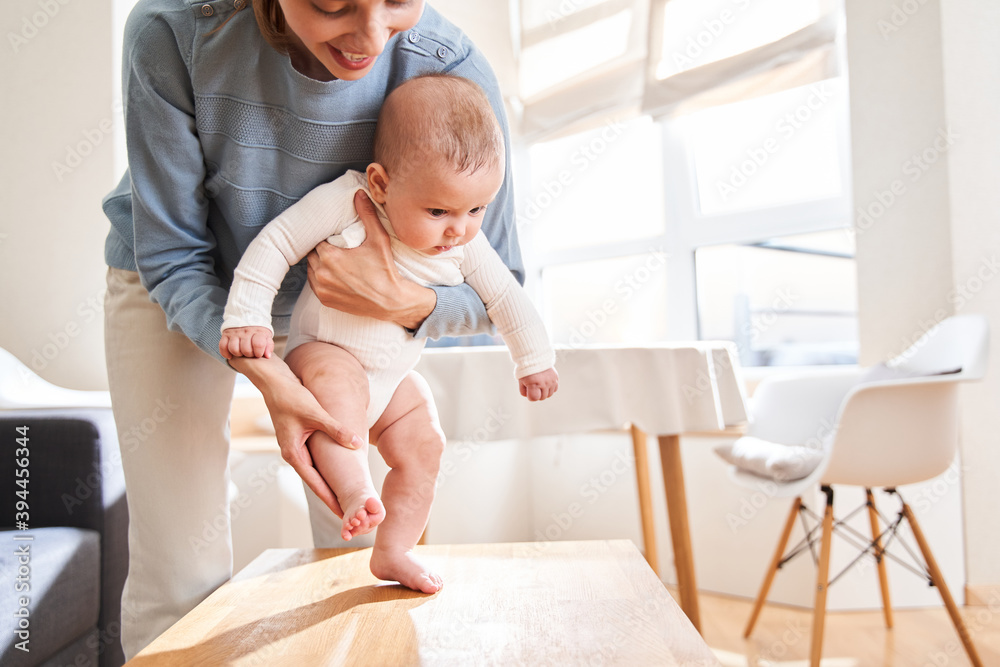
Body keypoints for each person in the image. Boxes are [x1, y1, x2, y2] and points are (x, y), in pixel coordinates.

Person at [102, 0, 524, 658]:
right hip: (184, 282)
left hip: (349, 312)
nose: (371, 36)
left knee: (361, 548)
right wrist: (266, 367)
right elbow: (172, 255)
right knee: (180, 566)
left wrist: (400, 300)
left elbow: (497, 287)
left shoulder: (450, 70)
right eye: (334, 5)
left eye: (398, 2)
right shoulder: (174, 32)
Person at [220, 73, 558, 594]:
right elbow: (278, 241)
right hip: (324, 355)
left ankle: (395, 549)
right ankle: (356, 492)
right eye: (439, 210)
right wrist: (247, 316)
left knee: (426, 444)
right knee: (342, 388)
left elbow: (505, 298)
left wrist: (533, 358)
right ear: (381, 184)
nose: (459, 229)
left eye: (477, 209)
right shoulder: (350, 199)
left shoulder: (464, 243)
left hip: (394, 379)